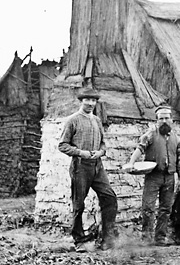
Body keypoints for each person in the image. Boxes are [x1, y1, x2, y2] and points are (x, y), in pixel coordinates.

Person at [58, 87, 118, 251]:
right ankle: (80, 240)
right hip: (80, 167)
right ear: (81, 101)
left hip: (97, 166)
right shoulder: (73, 120)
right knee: (79, 205)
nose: (90, 103)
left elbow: (103, 144)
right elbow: (62, 145)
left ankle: (107, 238)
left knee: (110, 198)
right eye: (87, 100)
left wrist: (101, 152)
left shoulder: (97, 121)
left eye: (93, 100)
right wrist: (80, 152)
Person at [124, 105, 180, 246]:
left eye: (166, 118)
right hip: (153, 176)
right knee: (148, 208)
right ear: (156, 120)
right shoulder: (150, 135)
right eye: (161, 118)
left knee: (165, 209)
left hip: (169, 177)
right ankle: (146, 239)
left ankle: (160, 239)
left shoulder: (177, 139)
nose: (164, 121)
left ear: (172, 120)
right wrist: (131, 163)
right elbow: (140, 149)